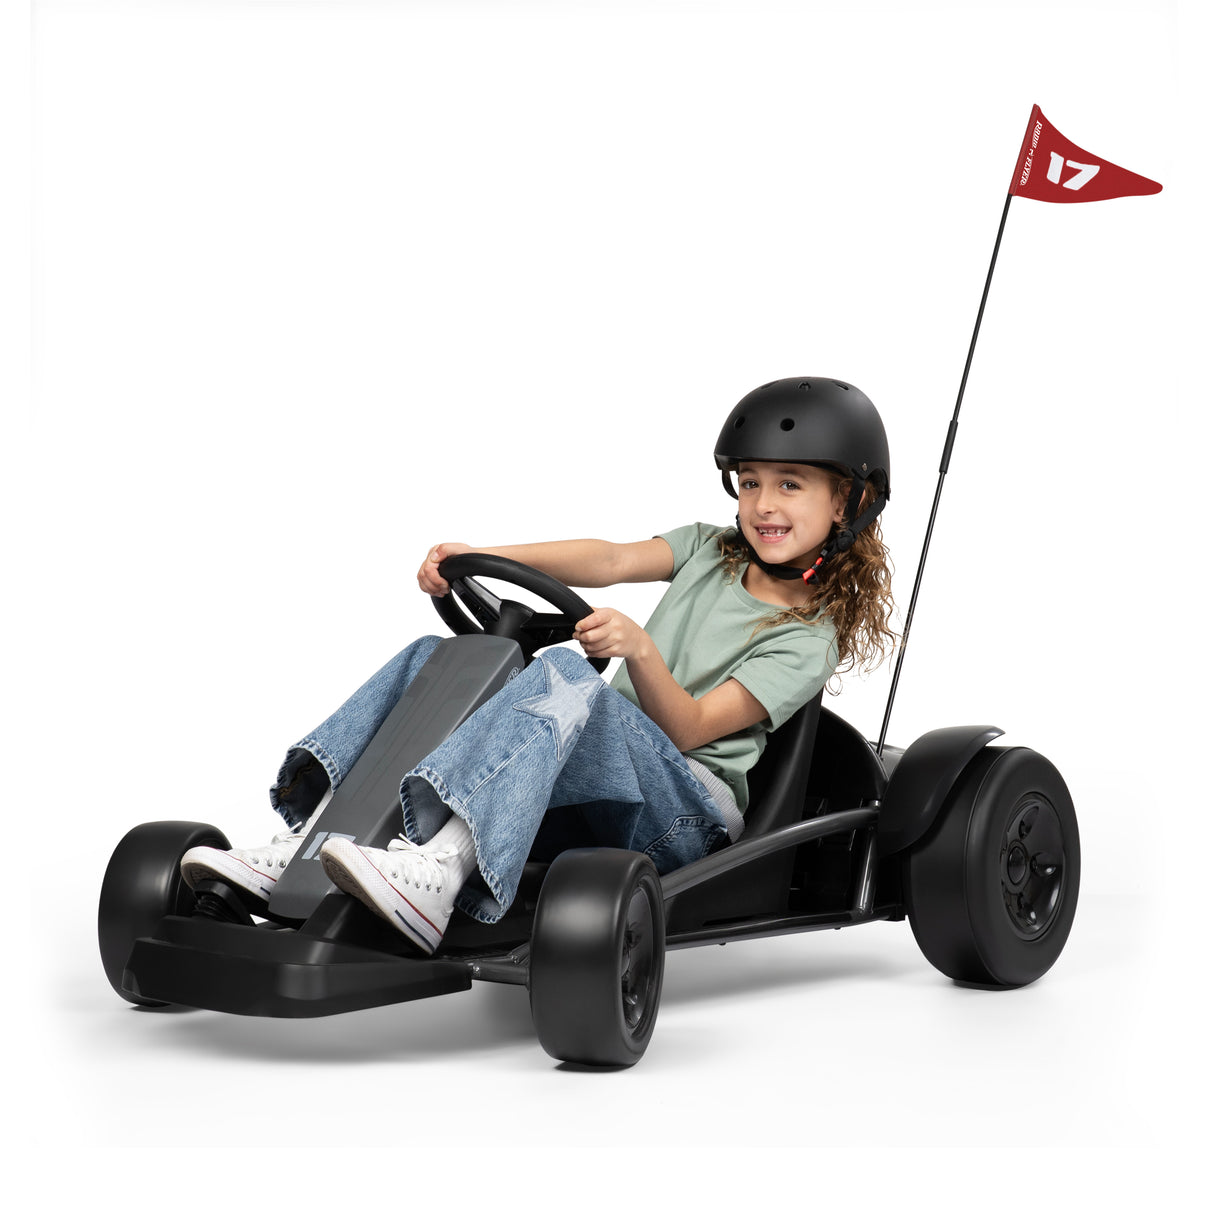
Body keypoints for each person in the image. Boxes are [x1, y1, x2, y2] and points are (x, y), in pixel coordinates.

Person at [180, 377, 897, 955]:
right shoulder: (713, 551)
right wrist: (486, 556)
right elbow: (610, 558)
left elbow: (690, 728)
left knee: (569, 678)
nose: (763, 504)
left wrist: (640, 651)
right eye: (749, 483)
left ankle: (438, 872)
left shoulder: (808, 636)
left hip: (687, 819)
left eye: (791, 484)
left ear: (848, 501)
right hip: (611, 772)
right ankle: (314, 839)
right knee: (440, 659)